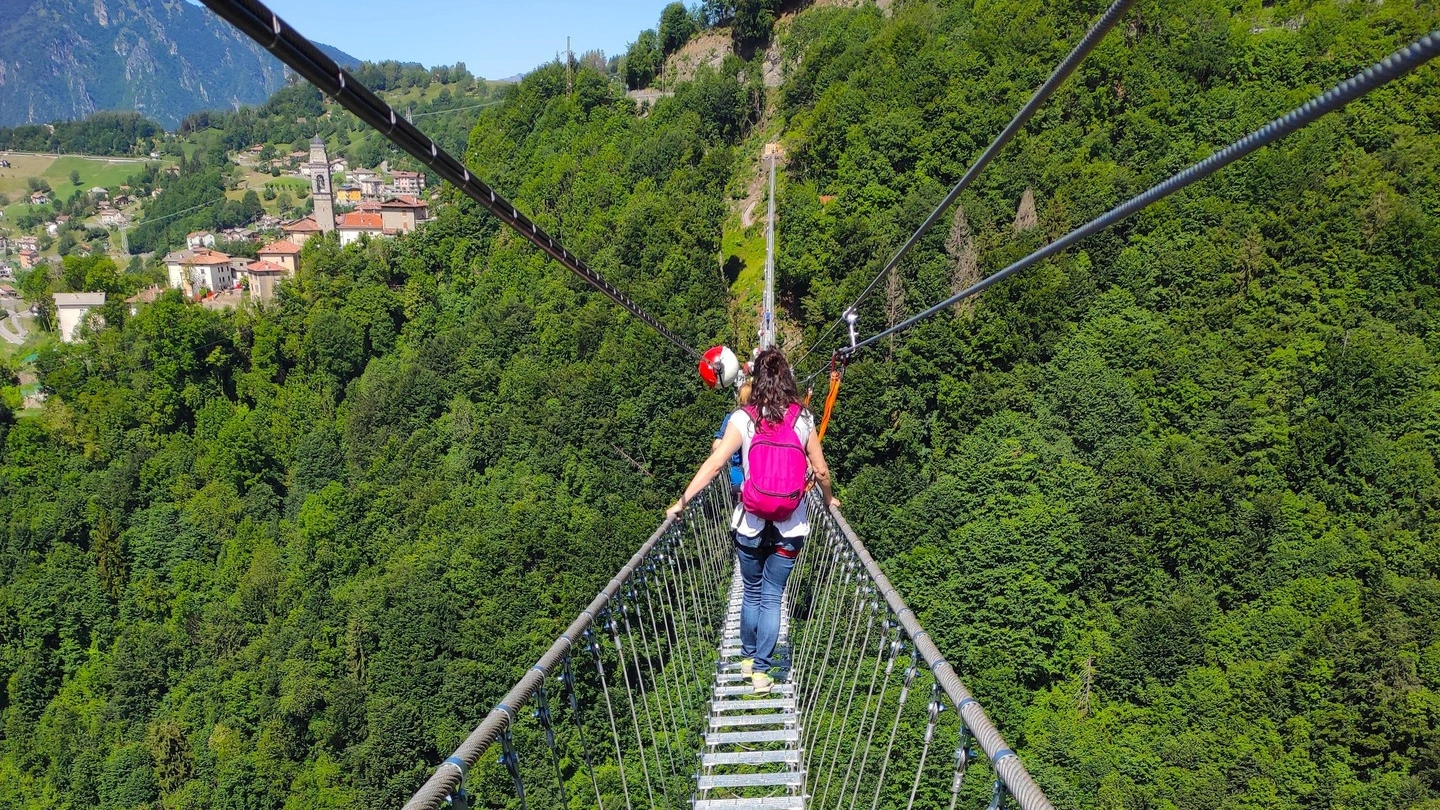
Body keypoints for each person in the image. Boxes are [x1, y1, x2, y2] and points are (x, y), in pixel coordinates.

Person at [668, 349, 838, 694]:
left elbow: (715, 464)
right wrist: (827, 498)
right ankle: (762, 673)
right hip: (791, 526)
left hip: (749, 522)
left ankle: (746, 659)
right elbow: (820, 470)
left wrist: (682, 502)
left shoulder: (743, 419)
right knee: (773, 596)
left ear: (755, 381)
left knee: (752, 593)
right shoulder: (802, 418)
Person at [713, 380, 752, 498]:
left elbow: (716, 446)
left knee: (742, 506)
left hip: (738, 474)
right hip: (761, 474)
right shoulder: (765, 417)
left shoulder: (732, 417)